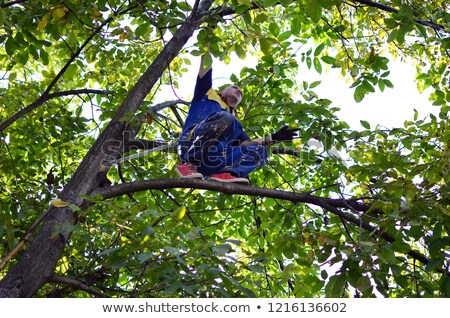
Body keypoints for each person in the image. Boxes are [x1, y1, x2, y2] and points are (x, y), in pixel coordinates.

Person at [176, 47, 298, 185]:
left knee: (260, 151)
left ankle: (228, 174)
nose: (239, 90)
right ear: (223, 91)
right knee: (226, 118)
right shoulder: (206, 95)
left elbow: (245, 144)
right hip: (191, 144)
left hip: (215, 159)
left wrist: (272, 138)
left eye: (240, 91)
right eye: (234, 87)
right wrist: (207, 39)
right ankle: (188, 163)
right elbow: (206, 66)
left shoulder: (234, 122)